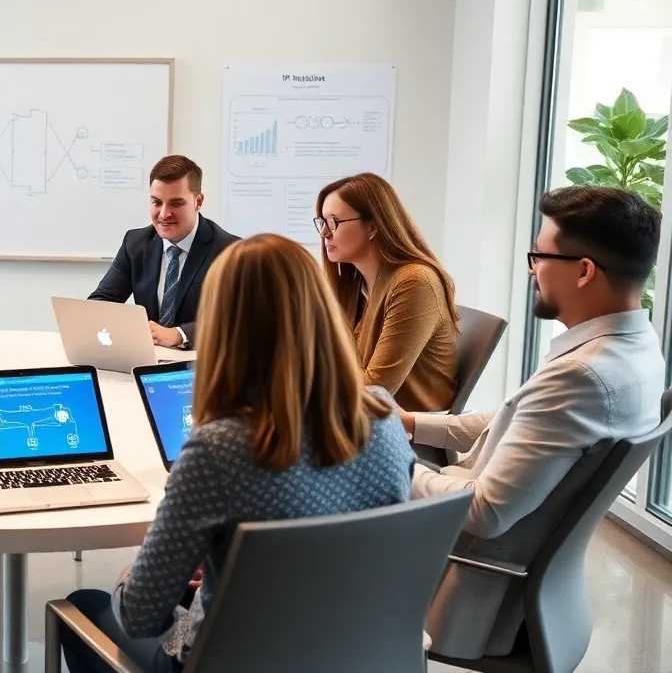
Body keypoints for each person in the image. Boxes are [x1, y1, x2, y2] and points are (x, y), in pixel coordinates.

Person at [60, 234, 415, 673]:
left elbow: (140, 615)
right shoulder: (383, 415)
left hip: (234, 660)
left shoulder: (219, 448)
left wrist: (132, 574)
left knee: (83, 605)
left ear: (223, 324)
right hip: (357, 651)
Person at [405, 186, 663, 660]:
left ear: (583, 271)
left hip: (464, 583)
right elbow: (518, 417)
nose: (532, 270)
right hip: (500, 565)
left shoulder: (583, 375)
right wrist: (409, 423)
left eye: (539, 256)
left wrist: (392, 461)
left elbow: (486, 512)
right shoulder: (634, 349)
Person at [316, 172, 459, 412]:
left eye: (334, 222)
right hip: (353, 420)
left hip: (400, 430)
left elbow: (376, 391)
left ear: (373, 227)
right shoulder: (353, 284)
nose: (324, 233)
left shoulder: (415, 282)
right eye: (322, 222)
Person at [88, 155, 239, 349]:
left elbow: (239, 318)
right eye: (157, 203)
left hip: (201, 360)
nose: (164, 214)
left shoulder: (230, 251)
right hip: (148, 360)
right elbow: (100, 304)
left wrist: (180, 334)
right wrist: (128, 328)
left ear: (198, 201)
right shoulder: (135, 243)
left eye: (176, 203)